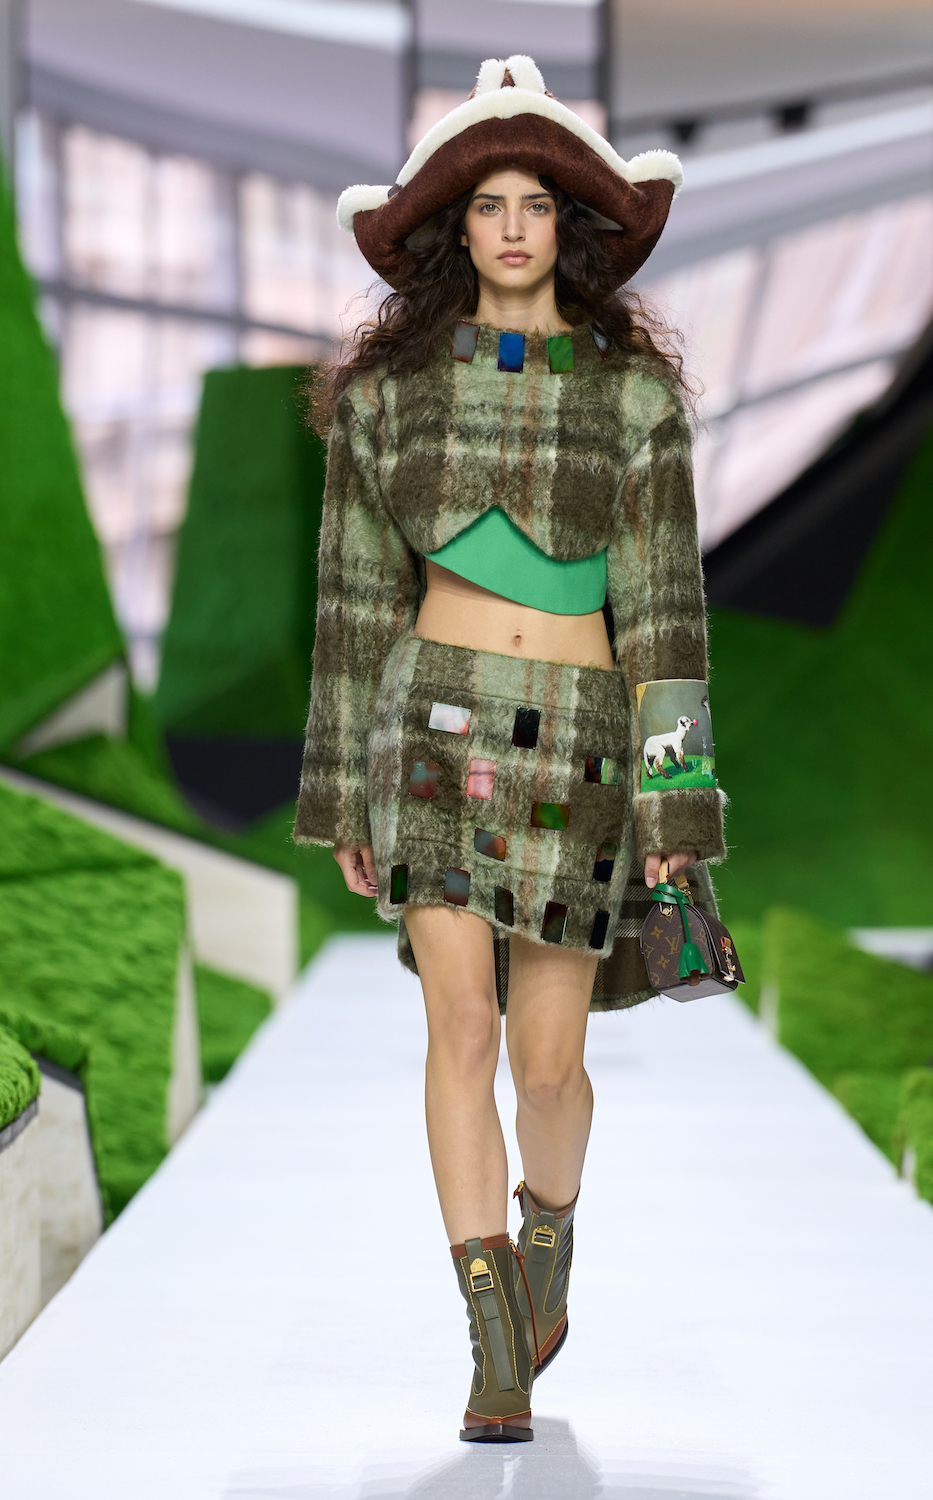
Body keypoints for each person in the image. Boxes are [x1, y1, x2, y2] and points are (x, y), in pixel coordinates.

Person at [294, 55, 727, 1444]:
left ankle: (550, 1238)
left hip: (584, 755)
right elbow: (354, 612)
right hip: (427, 734)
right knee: (460, 1028)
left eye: (538, 202)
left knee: (548, 1067)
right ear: (453, 228)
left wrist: (678, 806)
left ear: (572, 226)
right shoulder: (386, 401)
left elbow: (666, 619)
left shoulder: (636, 404)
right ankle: (491, 1348)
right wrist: (341, 791)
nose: (515, 227)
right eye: (490, 204)